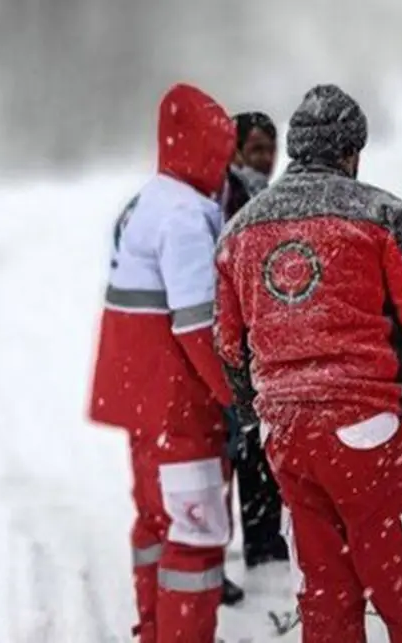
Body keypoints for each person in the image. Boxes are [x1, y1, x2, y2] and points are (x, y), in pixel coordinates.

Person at [214, 84, 402, 643]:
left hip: (288, 439)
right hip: (372, 436)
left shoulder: (238, 232)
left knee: (328, 601)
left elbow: (230, 343)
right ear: (351, 152)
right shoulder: (381, 215)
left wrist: (251, 409)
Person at [88, 83, 238, 643]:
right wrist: (234, 395)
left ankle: (155, 630)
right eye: (220, 153)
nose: (224, 168)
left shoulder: (142, 204)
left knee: (156, 522)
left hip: (141, 401)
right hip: (181, 407)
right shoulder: (183, 217)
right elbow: (197, 324)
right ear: (202, 149)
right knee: (195, 537)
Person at [221, 111, 291, 570]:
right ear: (236, 150)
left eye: (271, 149)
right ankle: (260, 543)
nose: (266, 159)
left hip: (263, 334)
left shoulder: (266, 193)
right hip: (239, 335)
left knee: (262, 436)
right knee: (246, 440)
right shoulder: (229, 195)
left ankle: (266, 537)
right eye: (257, 149)